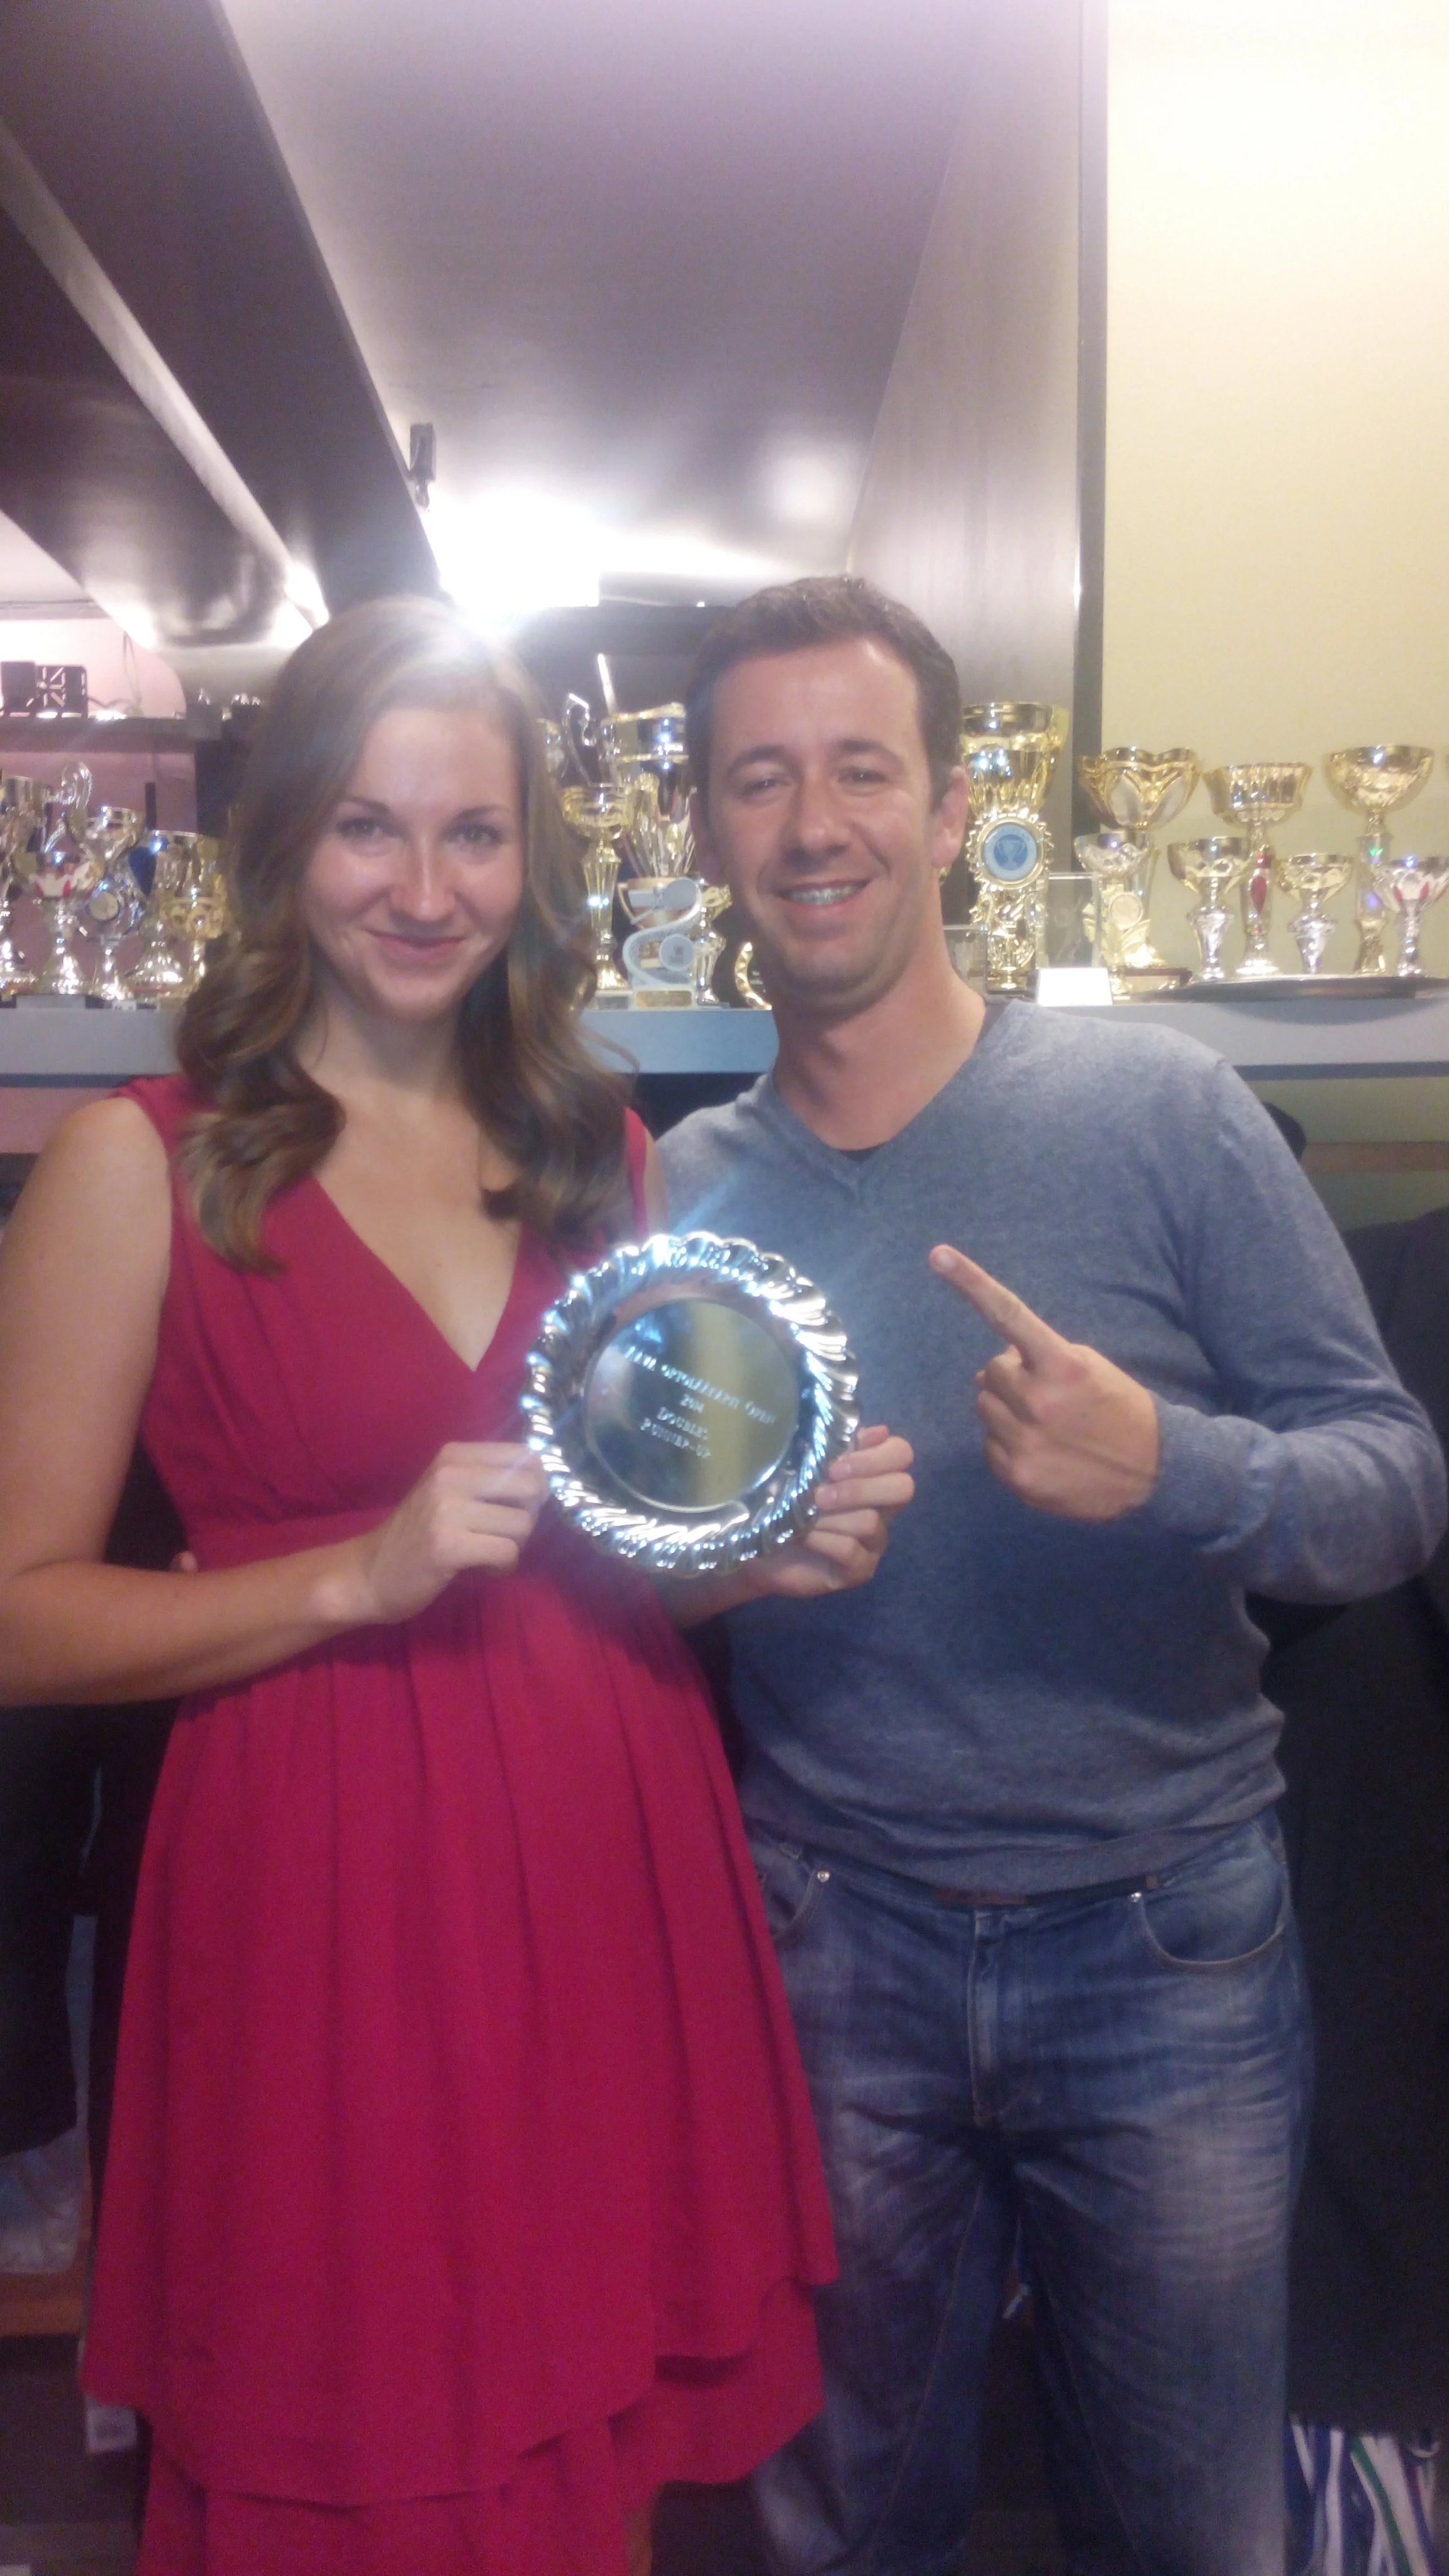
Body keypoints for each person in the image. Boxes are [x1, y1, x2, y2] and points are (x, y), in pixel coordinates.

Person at [0, 595, 915, 2576]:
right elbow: (20, 1611)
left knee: (576, 2458)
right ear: (284, 845)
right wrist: (350, 1575)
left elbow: (621, 1566)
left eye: (474, 835)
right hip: (325, 1881)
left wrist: (755, 1560)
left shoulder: (595, 1147)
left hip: (609, 1848)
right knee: (363, 2439)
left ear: (533, 862)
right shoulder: (137, 1166)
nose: (423, 888)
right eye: (366, 827)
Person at [657, 574, 1446, 2576]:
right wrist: (726, 1572)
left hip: (1167, 1946)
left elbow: (1391, 1485)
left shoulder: (1159, 1111)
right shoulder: (678, 1202)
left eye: (861, 769)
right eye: (763, 779)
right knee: (843, 2529)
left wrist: (1171, 1466)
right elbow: (616, 1589)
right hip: (835, 1949)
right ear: (708, 832)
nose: (813, 822)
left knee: (1192, 2535)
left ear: (950, 815)